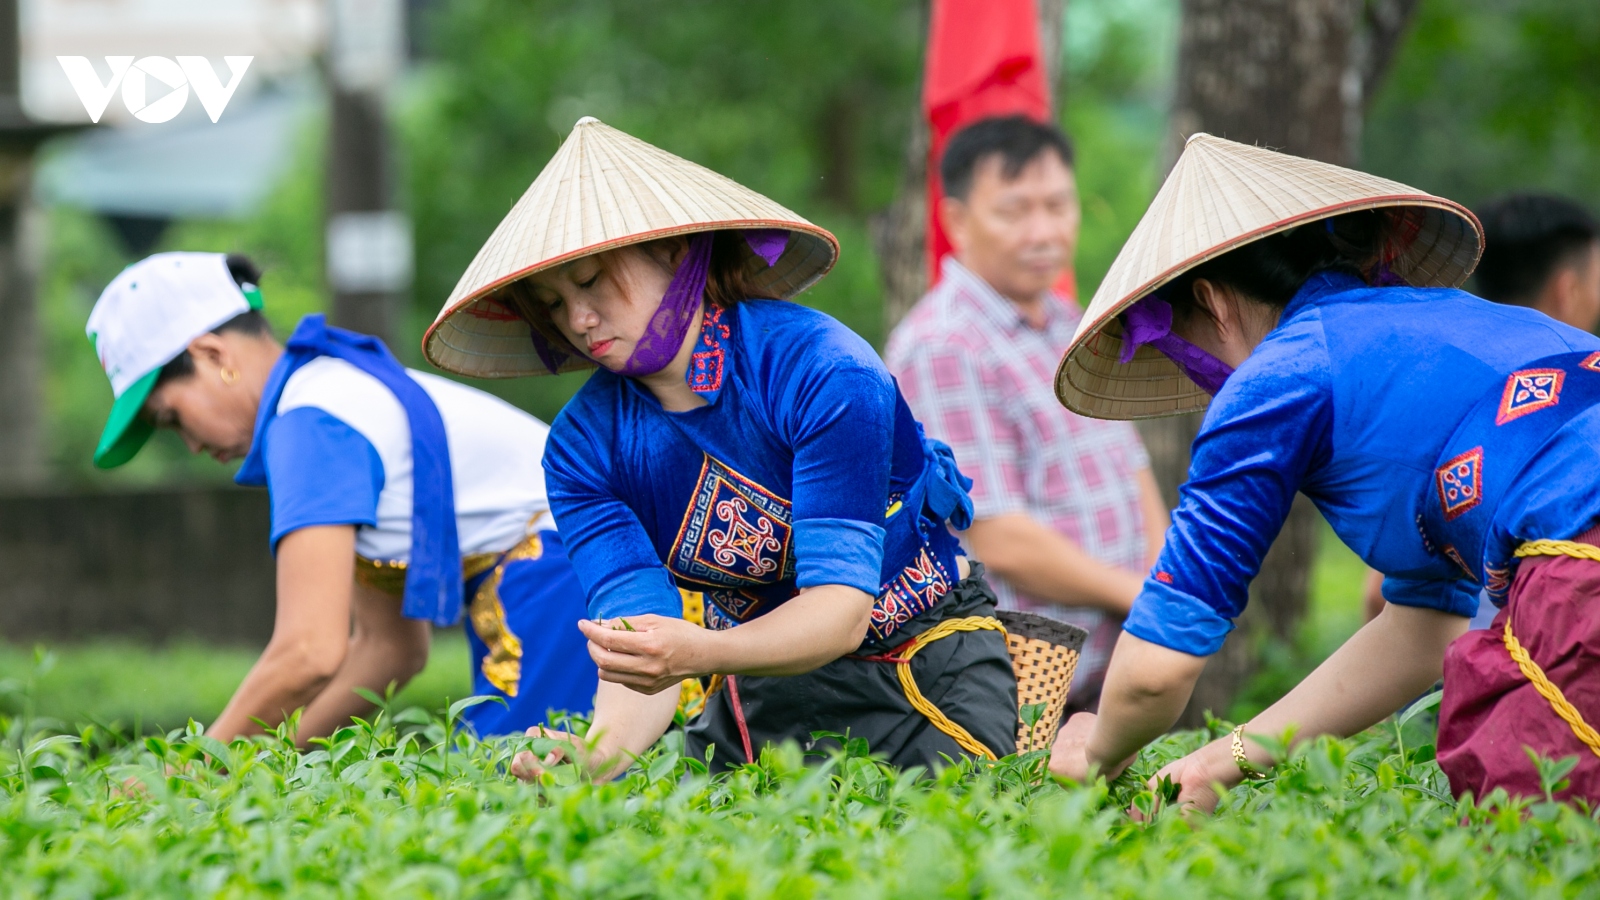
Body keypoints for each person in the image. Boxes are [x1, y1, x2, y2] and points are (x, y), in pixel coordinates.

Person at [421, 117, 1018, 780]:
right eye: (553, 303)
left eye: (590, 281)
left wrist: (693, 651)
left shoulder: (821, 371)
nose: (577, 319)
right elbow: (638, 646)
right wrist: (590, 760)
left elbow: (839, 614)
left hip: (925, 669)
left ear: (675, 253)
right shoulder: (581, 448)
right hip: (759, 694)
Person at [1048, 133, 1600, 805]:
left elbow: (1154, 673)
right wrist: (1217, 762)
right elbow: (1424, 631)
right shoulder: (1455, 325)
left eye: (1175, 338)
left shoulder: (1283, 373)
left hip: (1582, 562)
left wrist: (1093, 749)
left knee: (1533, 820)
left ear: (1213, 300)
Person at [85, 252, 597, 742]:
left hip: (566, 576)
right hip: (569, 577)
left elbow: (308, 650)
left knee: (517, 791)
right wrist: (256, 767)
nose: (190, 445)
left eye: (172, 419)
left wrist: (192, 772)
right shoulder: (327, 397)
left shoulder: (312, 425)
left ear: (214, 355)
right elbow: (389, 648)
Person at [886, 116, 1166, 712]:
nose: (1043, 231)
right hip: (1022, 693)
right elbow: (995, 535)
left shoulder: (1071, 321)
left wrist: (1168, 590)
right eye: (1015, 211)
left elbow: (1132, 470)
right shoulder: (945, 345)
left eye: (1058, 205)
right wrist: (1149, 600)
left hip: (1121, 667)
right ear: (956, 221)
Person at [1360, 193, 1600, 623]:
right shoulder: (1584, 406)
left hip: (1462, 664)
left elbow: (1377, 595)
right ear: (1569, 289)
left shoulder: (1448, 389)